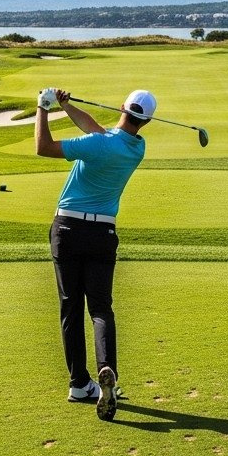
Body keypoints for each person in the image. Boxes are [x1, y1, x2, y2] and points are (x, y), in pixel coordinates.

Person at [35, 85, 156, 422]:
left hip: (68, 230)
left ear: (121, 106)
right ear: (145, 121)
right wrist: (67, 107)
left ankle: (79, 384)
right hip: (103, 233)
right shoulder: (135, 148)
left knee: (71, 308)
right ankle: (107, 372)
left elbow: (44, 147)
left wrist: (43, 108)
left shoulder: (98, 144)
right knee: (101, 308)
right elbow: (97, 131)